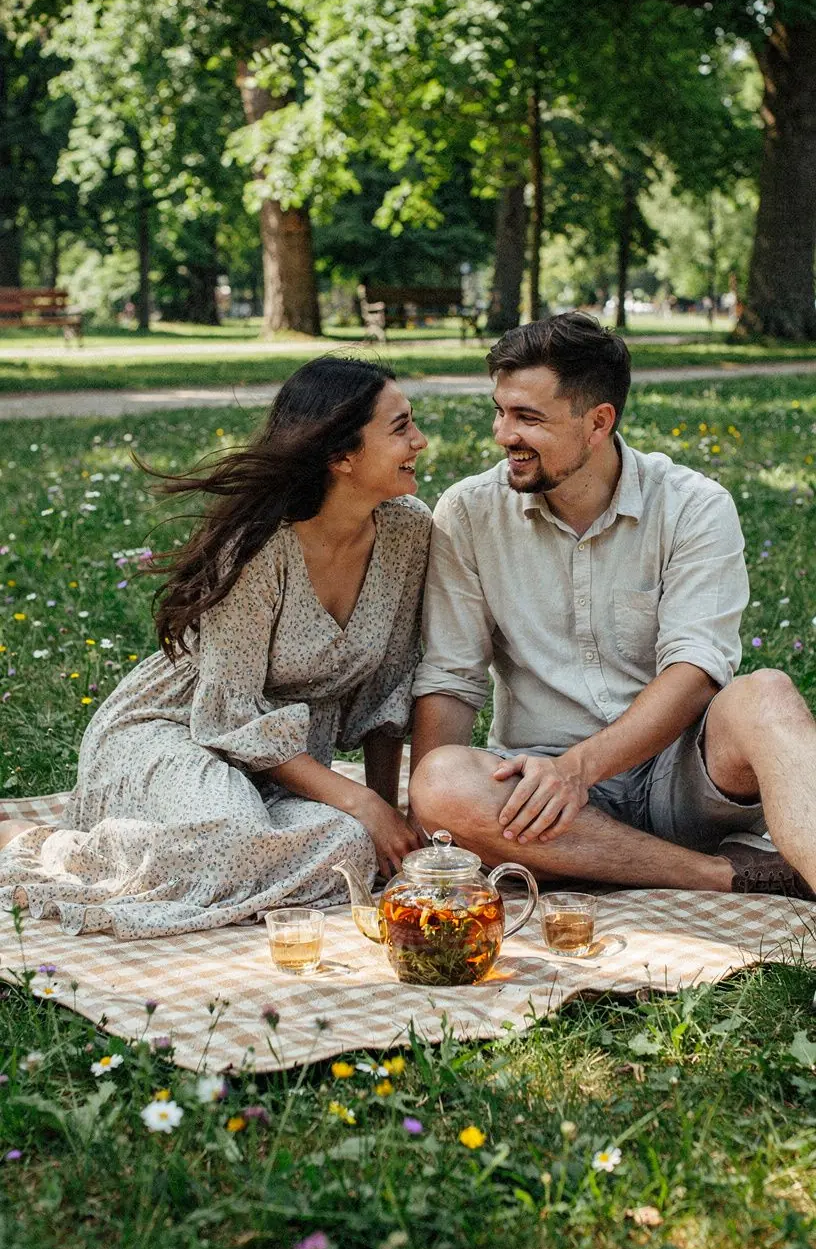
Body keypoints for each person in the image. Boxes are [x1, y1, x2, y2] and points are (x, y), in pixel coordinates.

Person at [0, 358, 431, 938]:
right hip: (177, 729)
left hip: (285, 770)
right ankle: (42, 846)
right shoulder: (257, 544)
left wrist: (382, 820)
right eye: (400, 427)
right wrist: (356, 800)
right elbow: (227, 710)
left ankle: (223, 856)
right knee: (233, 839)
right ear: (341, 455)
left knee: (348, 848)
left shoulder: (408, 529)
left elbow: (390, 685)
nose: (420, 441)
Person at [410, 314, 816, 898]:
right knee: (442, 780)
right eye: (500, 411)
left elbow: (696, 671)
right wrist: (432, 825)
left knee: (767, 693)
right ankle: (720, 876)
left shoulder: (694, 506)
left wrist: (582, 768)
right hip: (538, 787)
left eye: (528, 417)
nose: (503, 435)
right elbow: (450, 678)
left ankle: (602, 861)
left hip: (681, 772)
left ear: (598, 422)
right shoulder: (469, 513)